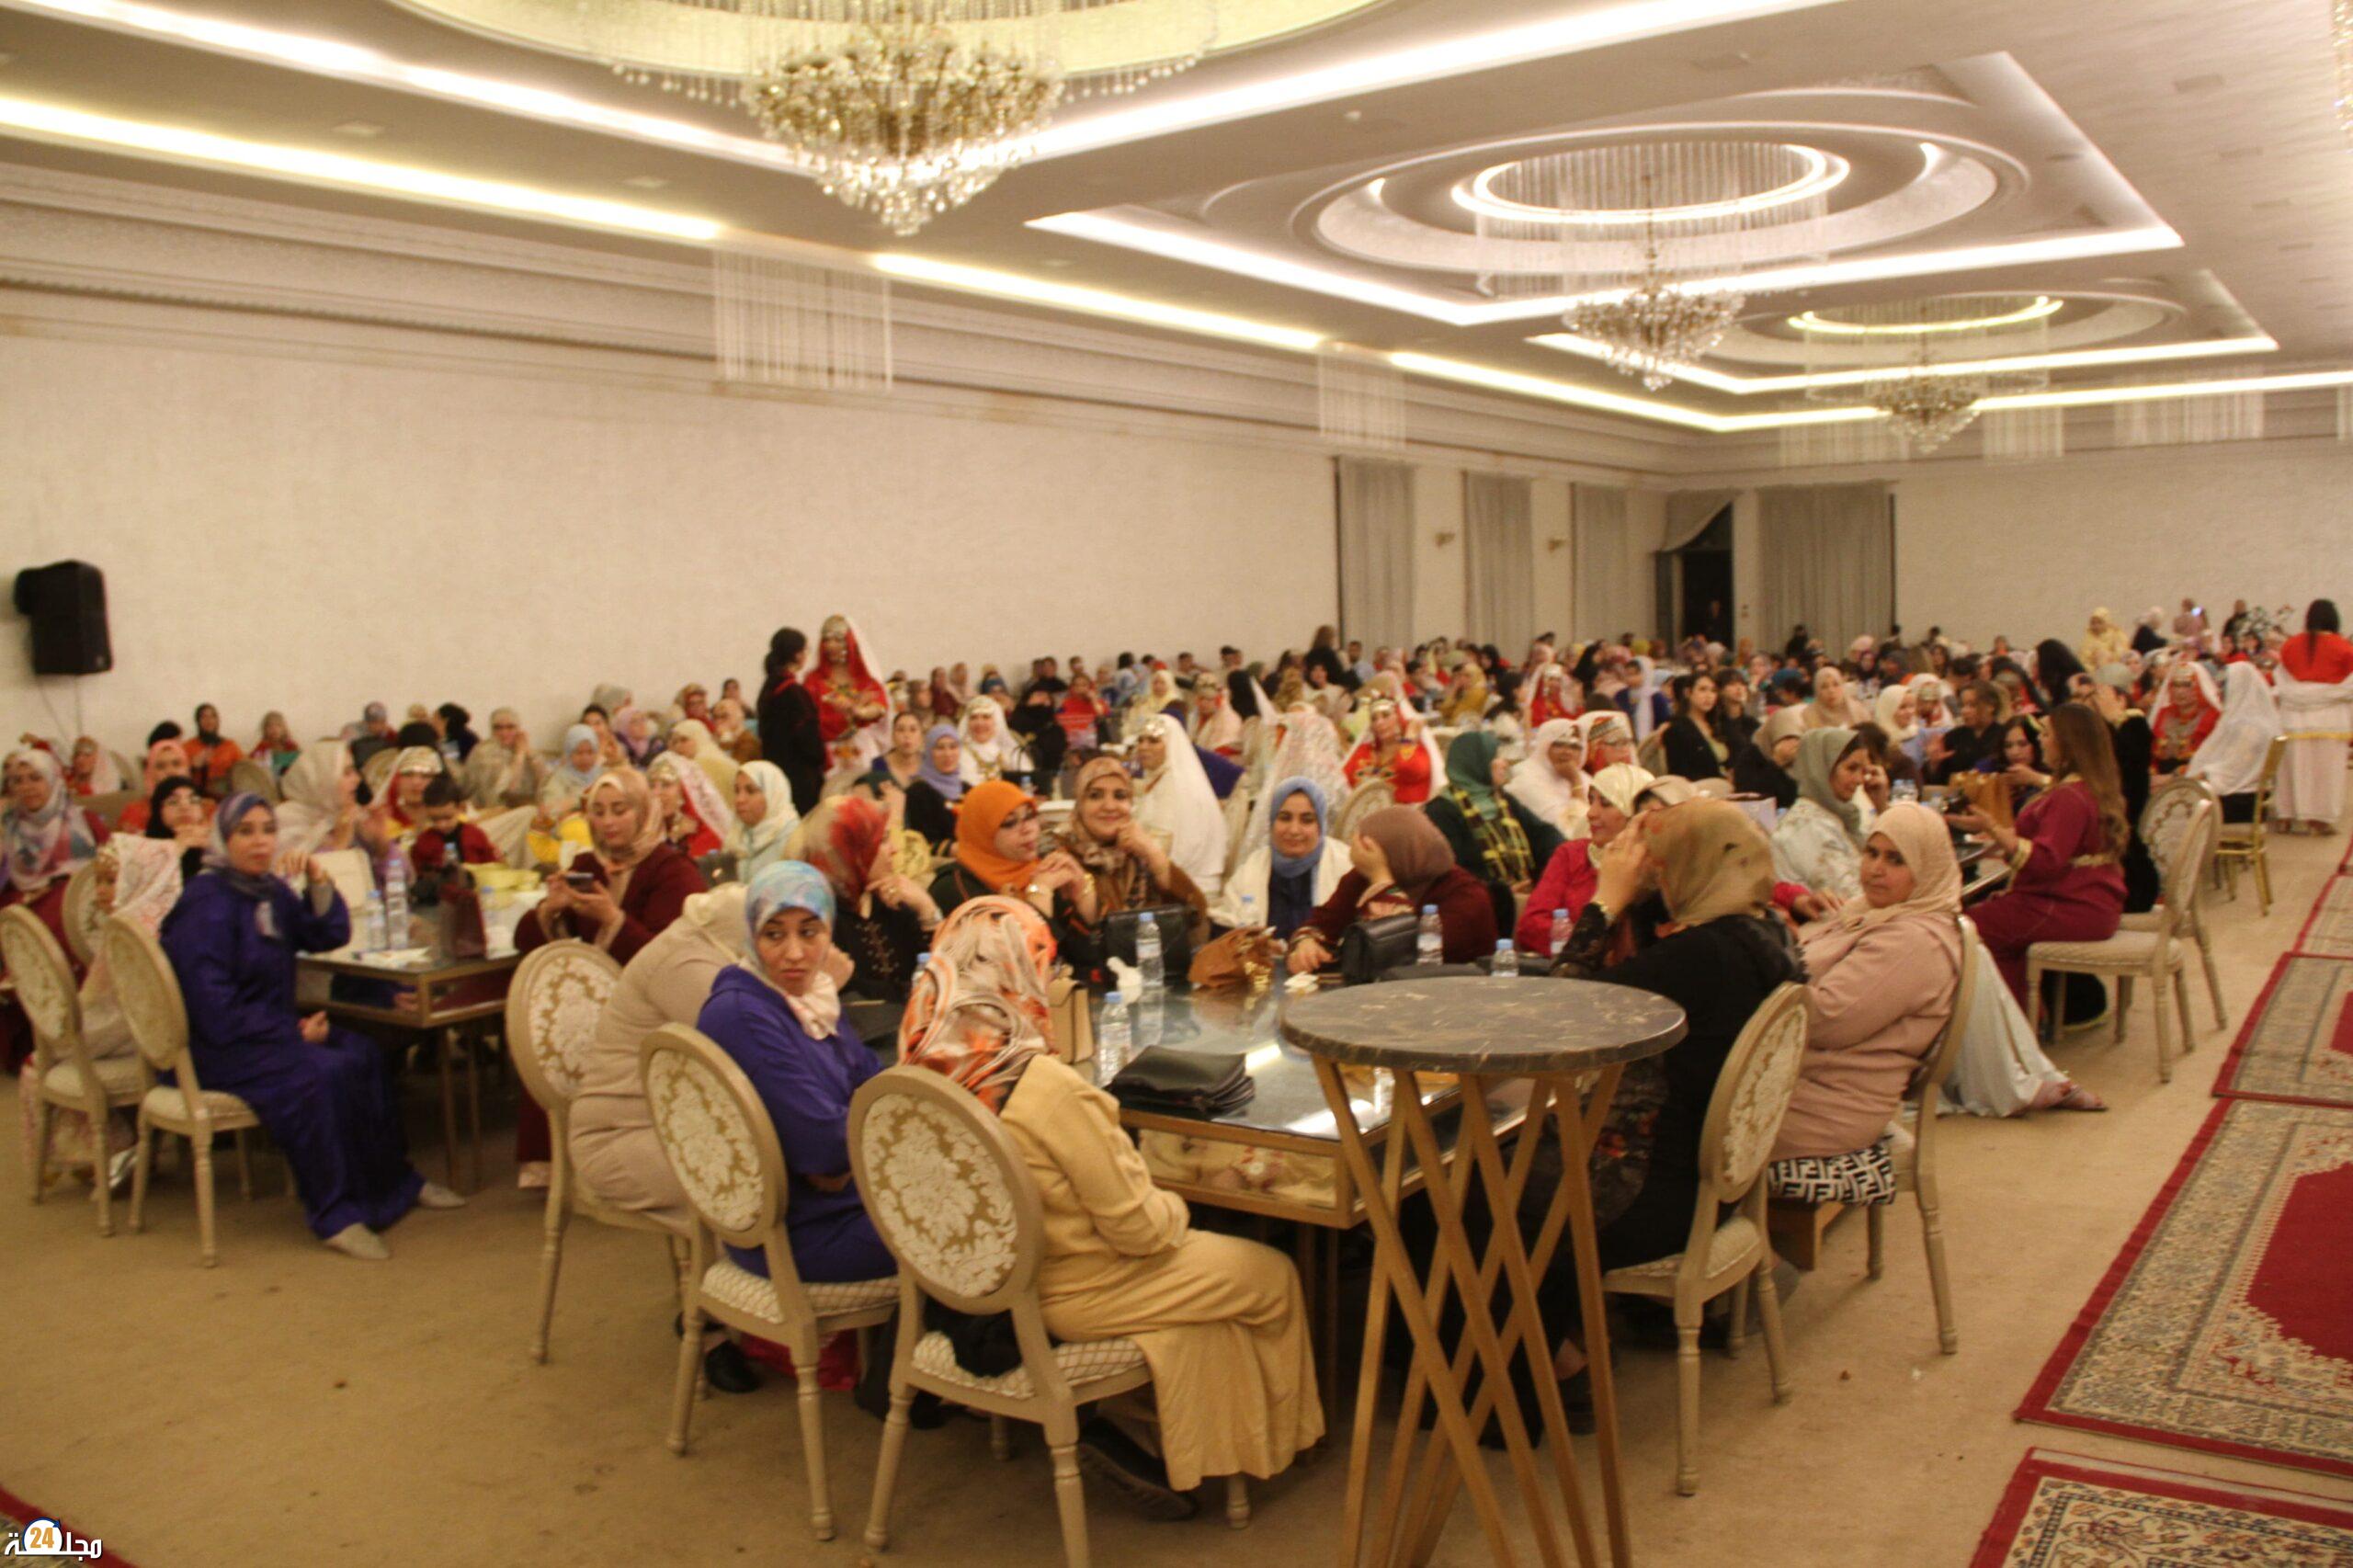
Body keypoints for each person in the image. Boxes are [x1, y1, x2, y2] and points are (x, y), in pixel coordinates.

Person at [898, 896, 1321, 1506]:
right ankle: (1276, 1449)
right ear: (1021, 973)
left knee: (1197, 1301)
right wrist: (1178, 1203)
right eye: (1047, 966)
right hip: (1078, 1289)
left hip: (978, 1288)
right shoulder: (1045, 1088)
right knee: (1268, 1273)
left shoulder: (917, 1072)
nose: (1055, 980)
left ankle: (1182, 1451)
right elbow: (1142, 1233)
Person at [1535, 801, 1803, 1378]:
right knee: (1518, 1166)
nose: (1653, 871)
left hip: (1651, 1201)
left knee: (1469, 1194)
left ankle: (1559, 1371)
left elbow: (1560, 1015)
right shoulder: (1764, 933)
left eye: (1663, 862)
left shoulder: (1699, 958)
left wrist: (1605, 902)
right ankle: (1565, 1333)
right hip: (1714, 1187)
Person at [157, 795, 460, 1258]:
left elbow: (325, 935)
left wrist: (319, 882)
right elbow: (210, 1004)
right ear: (223, 839)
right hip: (219, 1046)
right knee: (320, 1074)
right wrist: (289, 1034)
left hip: (268, 1031)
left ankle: (397, 1184)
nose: (260, 842)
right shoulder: (205, 903)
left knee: (363, 1054)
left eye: (267, 830)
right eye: (245, 832)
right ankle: (336, 1213)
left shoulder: (266, 888)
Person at [696, 862, 892, 1289]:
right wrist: (847, 1147)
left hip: (849, 1202)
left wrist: (849, 1147)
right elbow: (826, 1148)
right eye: (774, 934)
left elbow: (875, 1083)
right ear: (751, 935)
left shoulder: (807, 999)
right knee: (983, 1229)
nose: (795, 954)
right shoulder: (742, 1014)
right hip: (801, 1233)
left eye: (809, 932)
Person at [1768, 804, 1962, 1177]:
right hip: (1808, 1080)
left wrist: (1758, 973)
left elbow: (1826, 1020)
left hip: (1827, 1105)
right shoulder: (1872, 913)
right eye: (1871, 853)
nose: (1875, 868)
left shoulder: (1914, 942)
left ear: (1927, 869)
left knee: (1685, 1115)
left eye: (1896, 860)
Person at [570, 883, 748, 1232]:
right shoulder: (687, 963)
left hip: (679, 1120)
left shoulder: (708, 942)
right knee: (773, 1170)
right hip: (621, 1137)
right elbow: (753, 1050)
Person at [1949, 703, 2129, 1008]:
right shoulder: (2085, 786)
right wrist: (1989, 828)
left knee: (1963, 929)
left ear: (2066, 743)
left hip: (2069, 905)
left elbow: (2043, 861)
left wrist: (1991, 826)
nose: (2041, 741)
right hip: (2090, 902)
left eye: (2046, 734)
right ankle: (2020, 1016)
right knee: (1991, 925)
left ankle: (2003, 1020)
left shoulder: (2068, 796)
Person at [1285, 807, 1497, 975]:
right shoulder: (1363, 877)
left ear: (1396, 852)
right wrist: (1306, 943)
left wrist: (1382, 880)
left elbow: (1395, 956)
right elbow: (1323, 922)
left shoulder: (1465, 896)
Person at [1048, 757, 1210, 973]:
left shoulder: (1139, 856)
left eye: (1120, 796)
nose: (1109, 806)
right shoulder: (1062, 862)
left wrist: (1155, 856)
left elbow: (1197, 917)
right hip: (1091, 985)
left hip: (1152, 982)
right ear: (1079, 804)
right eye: (1095, 795)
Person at [796, 795, 938, 1004]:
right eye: (882, 840)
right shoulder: (815, 916)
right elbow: (851, 995)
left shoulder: (893, 901)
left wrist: (927, 910)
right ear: (850, 850)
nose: (894, 850)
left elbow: (943, 976)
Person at [1515, 763, 1651, 956]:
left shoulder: (1653, 863)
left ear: (1634, 812)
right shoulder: (1572, 855)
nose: (1591, 813)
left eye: (1605, 803)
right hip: (1573, 967)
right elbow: (1531, 925)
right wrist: (1582, 941)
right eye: (1591, 800)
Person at [927, 779, 1090, 928]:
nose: (1027, 829)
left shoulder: (1039, 868)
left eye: (1030, 816)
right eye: (1010, 823)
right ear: (983, 834)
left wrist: (1082, 893)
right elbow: (1018, 949)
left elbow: (1084, 947)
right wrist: (1040, 891)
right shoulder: (952, 888)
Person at [1212, 776, 1350, 937]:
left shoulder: (1345, 866)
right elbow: (1226, 927)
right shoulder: (1251, 871)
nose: (1294, 830)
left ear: (1320, 825)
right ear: (1272, 822)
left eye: (1307, 820)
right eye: (1285, 818)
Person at [1425, 731, 1559, 893]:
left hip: (1525, 891)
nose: (1504, 764)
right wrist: (1501, 892)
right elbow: (1453, 870)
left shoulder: (1502, 799)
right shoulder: (1440, 812)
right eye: (1496, 757)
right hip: (1478, 898)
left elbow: (1543, 833)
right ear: (1476, 762)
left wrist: (1556, 865)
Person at [2275, 598, 2353, 831]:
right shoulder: (2344, 648)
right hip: (2329, 719)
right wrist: (2325, 693)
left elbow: (2281, 682)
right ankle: (2319, 818)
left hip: (2293, 718)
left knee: (2292, 769)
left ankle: (2287, 814)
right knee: (2325, 771)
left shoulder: (2290, 646)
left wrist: (2303, 694)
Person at [1131, 714, 1229, 899]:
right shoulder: (1164, 778)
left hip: (1189, 890)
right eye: (1140, 740)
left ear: (1171, 746)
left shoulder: (1176, 785)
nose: (1143, 747)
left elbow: (1161, 846)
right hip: (1175, 879)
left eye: (1153, 741)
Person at [1770, 728, 1873, 899]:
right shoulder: (1807, 825)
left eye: (1862, 771)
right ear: (1821, 768)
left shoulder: (1831, 816)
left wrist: (1881, 804)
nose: (1859, 780)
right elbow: (1849, 898)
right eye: (1851, 768)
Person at [2187, 660, 2284, 824]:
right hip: (2239, 795)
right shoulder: (2247, 719)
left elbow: (2229, 772)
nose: (2218, 692)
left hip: (2239, 801)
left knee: (2175, 805)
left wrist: (2189, 781)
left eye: (2223, 686)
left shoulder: (2249, 727)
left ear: (2239, 687)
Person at [759, 627, 829, 815]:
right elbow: (810, 741)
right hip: (799, 778)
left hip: (775, 773)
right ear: (798, 655)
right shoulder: (794, 692)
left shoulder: (768, 687)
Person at [1506, 718, 1591, 843]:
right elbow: (1571, 832)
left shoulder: (1586, 779)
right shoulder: (1525, 778)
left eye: (1575, 747)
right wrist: (1575, 783)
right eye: (1559, 744)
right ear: (1544, 745)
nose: (1567, 752)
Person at [1341, 699, 1435, 805]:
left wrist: (1409, 737)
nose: (1379, 723)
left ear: (1400, 718)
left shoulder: (1417, 751)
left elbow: (1407, 768)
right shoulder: (1363, 751)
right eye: (1374, 719)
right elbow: (1342, 782)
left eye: (1386, 716)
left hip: (1400, 814)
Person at [460, 708, 548, 812]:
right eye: (498, 728)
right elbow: (504, 793)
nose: (504, 733)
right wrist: (519, 755)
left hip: (525, 807)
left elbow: (546, 784)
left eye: (510, 727)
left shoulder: (526, 749)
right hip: (489, 810)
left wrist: (529, 754)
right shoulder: (483, 752)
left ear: (518, 729)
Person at [728, 760, 801, 881]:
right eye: (737, 791)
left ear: (773, 794)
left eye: (751, 791)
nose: (739, 799)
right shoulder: (736, 836)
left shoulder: (794, 839)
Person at [409, 776, 498, 875]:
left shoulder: (475, 835)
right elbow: (416, 874)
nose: (441, 825)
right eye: (434, 819)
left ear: (460, 808)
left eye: (447, 818)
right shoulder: (424, 842)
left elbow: (492, 867)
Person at [648, 753, 728, 861]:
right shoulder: (644, 836)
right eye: (652, 786)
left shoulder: (706, 838)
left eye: (666, 785)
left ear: (684, 792)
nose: (657, 793)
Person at [2149, 660, 2222, 776]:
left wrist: (2174, 777)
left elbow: (2214, 759)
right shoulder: (2163, 714)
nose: (2180, 691)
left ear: (2199, 686)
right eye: (2175, 685)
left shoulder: (2212, 716)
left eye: (2187, 685)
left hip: (2193, 778)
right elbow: (2150, 752)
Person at [900, 725, 965, 849]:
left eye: (953, 747)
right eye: (940, 748)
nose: (948, 754)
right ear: (929, 752)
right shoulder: (918, 792)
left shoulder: (967, 788)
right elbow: (921, 842)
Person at [1659, 671, 1730, 781]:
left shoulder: (1719, 725)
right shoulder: (1676, 729)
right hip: (1697, 786)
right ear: (1688, 692)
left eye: (1713, 691)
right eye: (1702, 689)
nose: (1709, 696)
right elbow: (1678, 771)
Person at [1733, 706, 1803, 809]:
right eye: (1786, 738)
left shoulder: (1802, 757)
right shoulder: (1752, 755)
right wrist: (1776, 762)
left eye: (1795, 738)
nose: (1791, 744)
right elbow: (1749, 794)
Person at [956, 695, 1030, 787]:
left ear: (996, 722)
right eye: (974, 717)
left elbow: (1028, 781)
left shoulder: (1011, 752)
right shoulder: (959, 755)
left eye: (986, 717)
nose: (979, 723)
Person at [183, 704, 244, 796]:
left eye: (212, 716)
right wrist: (193, 767)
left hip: (226, 797)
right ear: (197, 721)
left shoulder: (230, 746)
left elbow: (244, 771)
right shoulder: (187, 747)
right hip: (196, 797)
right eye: (204, 717)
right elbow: (177, 778)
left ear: (217, 721)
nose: (209, 721)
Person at [1802, 666, 1870, 731]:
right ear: (1818, 691)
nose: (1831, 691)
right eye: (1824, 687)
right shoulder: (1809, 714)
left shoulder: (1858, 711)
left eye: (1836, 685)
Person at [251, 712, 301, 779]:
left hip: (290, 781)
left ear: (284, 728)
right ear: (265, 730)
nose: (274, 729)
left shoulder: (292, 747)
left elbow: (299, 767)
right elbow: (252, 766)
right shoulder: (262, 748)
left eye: (278, 725)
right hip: (268, 782)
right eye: (270, 726)